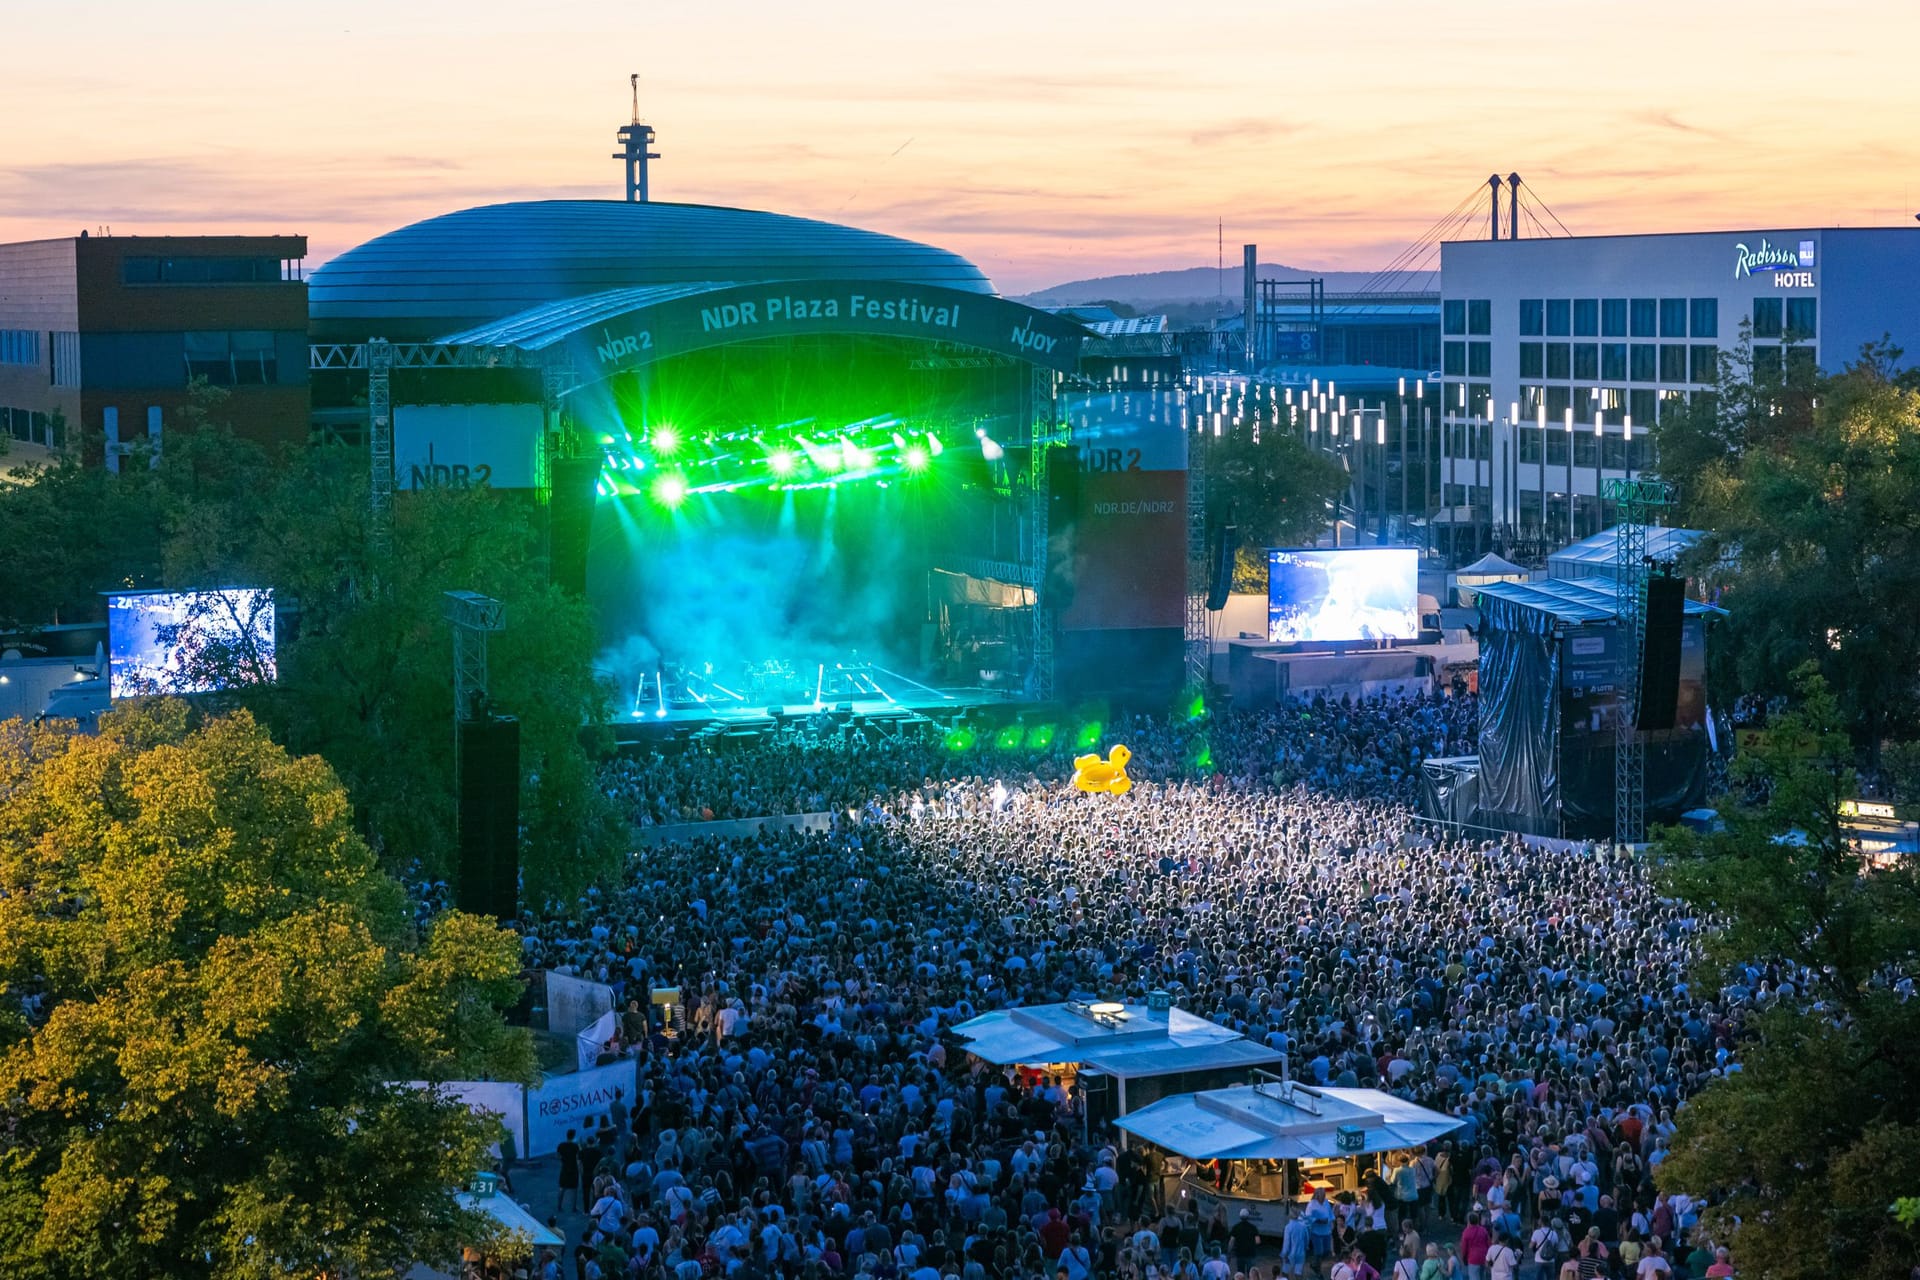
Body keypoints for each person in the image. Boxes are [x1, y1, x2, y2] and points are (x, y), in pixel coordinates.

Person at [555, 1129, 581, 1214]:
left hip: (565, 1168)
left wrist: (563, 1159)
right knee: (574, 1189)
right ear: (573, 1136)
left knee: (562, 1188)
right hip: (573, 1168)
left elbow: (558, 1156)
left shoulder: (561, 1145)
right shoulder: (575, 1146)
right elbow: (578, 1157)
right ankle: (573, 1207)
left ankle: (559, 1206)